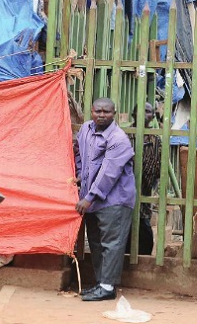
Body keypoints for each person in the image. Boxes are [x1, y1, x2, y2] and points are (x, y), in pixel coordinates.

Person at [75, 98, 136, 301]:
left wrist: (89, 197)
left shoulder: (118, 139)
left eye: (107, 112)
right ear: (91, 111)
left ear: (114, 113)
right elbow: (78, 152)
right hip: (93, 200)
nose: (102, 115)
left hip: (114, 200)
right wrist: (79, 174)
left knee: (111, 244)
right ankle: (101, 284)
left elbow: (109, 172)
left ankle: (108, 287)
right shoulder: (85, 130)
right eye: (98, 111)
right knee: (95, 243)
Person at [126, 102, 160, 255]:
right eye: (140, 110)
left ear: (152, 116)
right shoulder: (126, 134)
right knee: (126, 221)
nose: (144, 114)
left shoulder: (156, 139)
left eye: (148, 111)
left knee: (143, 222)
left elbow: (160, 164)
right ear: (133, 114)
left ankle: (143, 254)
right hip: (126, 185)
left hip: (146, 186)